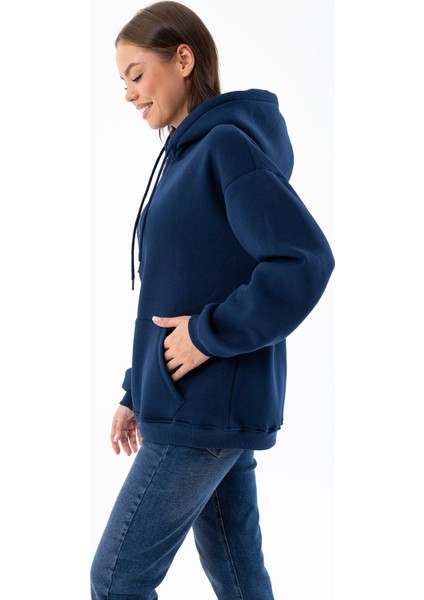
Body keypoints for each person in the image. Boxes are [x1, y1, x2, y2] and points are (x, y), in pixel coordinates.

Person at [90, 2, 335, 598]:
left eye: (136, 74)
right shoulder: (183, 158)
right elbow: (180, 286)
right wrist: (136, 390)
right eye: (122, 81)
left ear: (183, 58)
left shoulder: (225, 146)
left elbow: (303, 260)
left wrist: (205, 336)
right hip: (196, 403)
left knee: (117, 580)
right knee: (238, 576)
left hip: (203, 407)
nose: (129, 93)